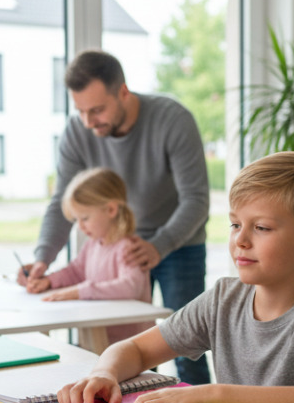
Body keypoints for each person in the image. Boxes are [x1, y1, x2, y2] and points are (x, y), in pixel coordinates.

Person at [58, 151, 294, 403]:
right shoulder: (223, 300)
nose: (241, 240)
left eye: (261, 227)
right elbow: (136, 350)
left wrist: (214, 395)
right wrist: (104, 373)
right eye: (235, 225)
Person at [23, 49, 212, 384]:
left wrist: (159, 245)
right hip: (115, 243)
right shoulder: (78, 131)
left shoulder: (172, 119)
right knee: (132, 346)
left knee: (188, 347)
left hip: (178, 243)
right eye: (81, 111)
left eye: (97, 110)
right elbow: (63, 203)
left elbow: (196, 200)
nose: (88, 122)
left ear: (123, 92)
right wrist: (42, 259)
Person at [23, 167, 154, 353]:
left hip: (132, 347)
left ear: (111, 210)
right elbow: (75, 271)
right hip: (99, 341)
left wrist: (80, 291)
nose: (80, 227)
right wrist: (49, 281)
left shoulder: (128, 248)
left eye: (84, 218)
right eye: (76, 220)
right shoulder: (92, 245)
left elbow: (130, 286)